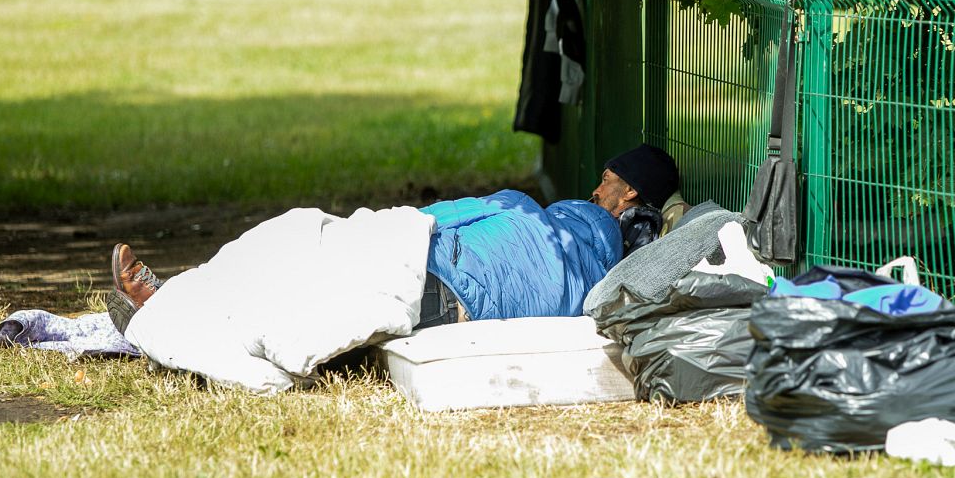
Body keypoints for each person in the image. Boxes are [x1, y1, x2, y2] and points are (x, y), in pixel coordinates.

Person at [108, 144, 682, 336]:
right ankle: (178, 299)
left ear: (627, 193)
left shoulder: (524, 210)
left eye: (605, 180)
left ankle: (173, 304)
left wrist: (386, 227)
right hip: (458, 303)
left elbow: (433, 215)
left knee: (298, 252)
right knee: (302, 282)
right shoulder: (602, 275)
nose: (593, 186)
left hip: (439, 280)